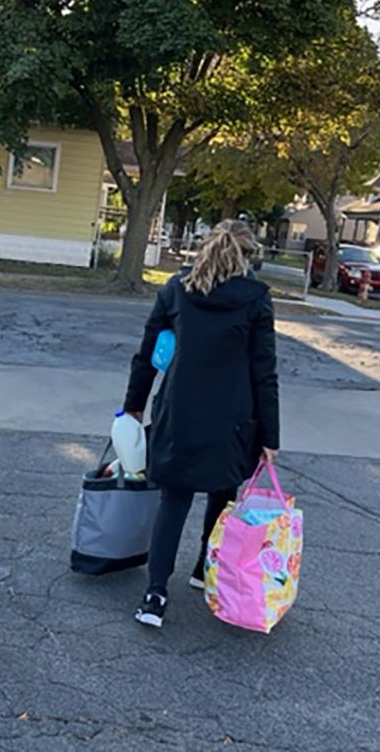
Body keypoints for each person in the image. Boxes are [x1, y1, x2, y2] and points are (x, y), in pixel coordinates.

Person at [123, 219, 280, 628]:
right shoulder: (257, 299)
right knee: (222, 496)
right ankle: (203, 570)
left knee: (173, 501)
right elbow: (265, 372)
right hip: (233, 421)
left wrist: (134, 407)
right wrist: (270, 435)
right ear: (247, 257)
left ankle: (155, 595)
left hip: (180, 414)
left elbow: (149, 355)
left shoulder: (177, 291)